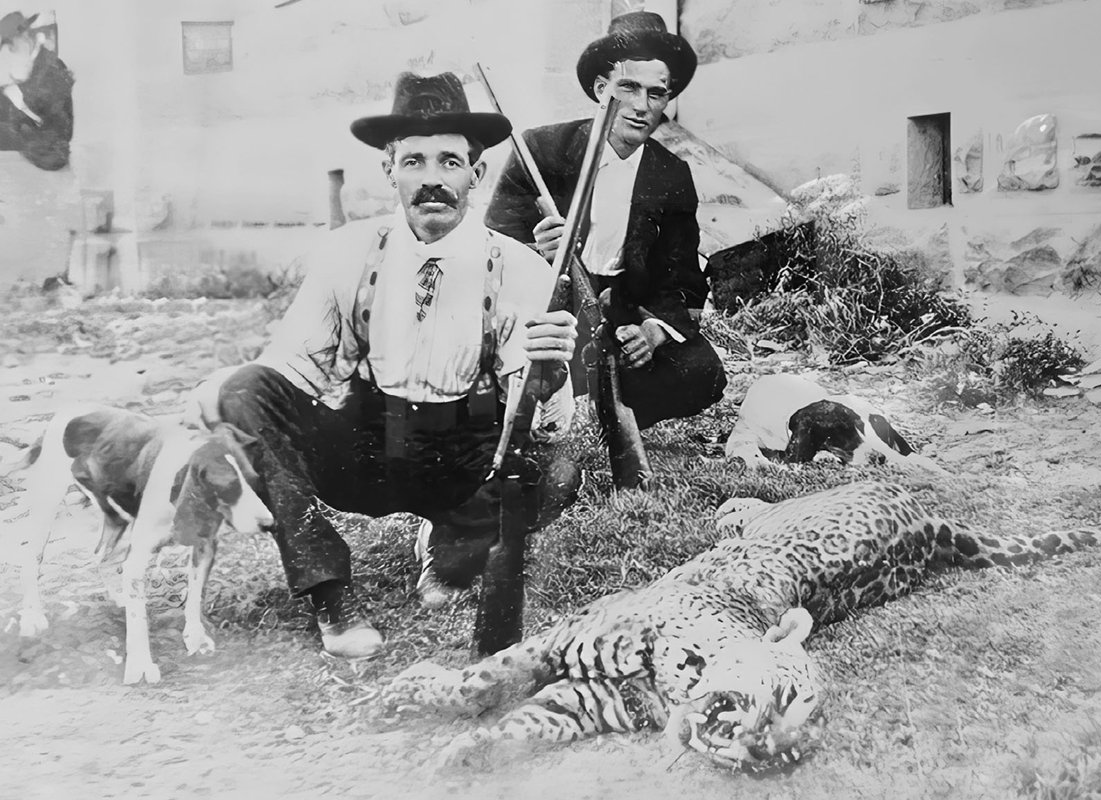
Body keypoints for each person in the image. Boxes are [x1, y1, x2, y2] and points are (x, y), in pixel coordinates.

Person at [192, 72, 578, 660]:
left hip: (460, 453)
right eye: (413, 161)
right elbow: (287, 374)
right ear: (388, 171)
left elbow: (548, 426)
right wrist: (226, 400)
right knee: (243, 390)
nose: (431, 180)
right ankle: (329, 589)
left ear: (476, 175)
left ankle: (450, 542)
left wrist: (548, 374)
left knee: (556, 477)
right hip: (366, 450)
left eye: (449, 161)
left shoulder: (520, 268)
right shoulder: (347, 252)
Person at [485, 10, 726, 431]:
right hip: (544, 310)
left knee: (703, 371)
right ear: (601, 89)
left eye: (656, 94)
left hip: (619, 315)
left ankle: (605, 406)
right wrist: (535, 254)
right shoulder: (540, 150)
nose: (640, 107)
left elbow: (683, 278)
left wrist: (653, 331)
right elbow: (491, 247)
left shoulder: (671, 175)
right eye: (628, 87)